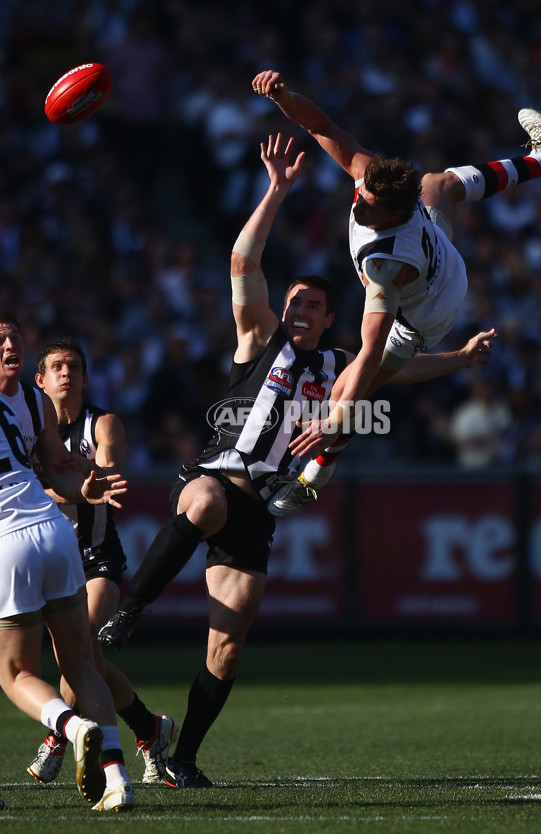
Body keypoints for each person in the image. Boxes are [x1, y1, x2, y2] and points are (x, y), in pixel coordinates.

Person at [97, 133, 498, 787]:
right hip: (217, 480)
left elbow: (400, 369)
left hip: (259, 512)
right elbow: (240, 260)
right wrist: (277, 190)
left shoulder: (343, 365)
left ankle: (182, 758)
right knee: (204, 502)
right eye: (293, 303)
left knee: (226, 648)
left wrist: (459, 359)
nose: (298, 309)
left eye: (311, 304)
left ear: (331, 315)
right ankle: (131, 608)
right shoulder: (258, 340)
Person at [252, 69, 541, 512]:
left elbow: (370, 351)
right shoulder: (374, 180)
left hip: (424, 313)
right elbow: (321, 125)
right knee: (436, 184)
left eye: (368, 204)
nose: (357, 201)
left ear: (393, 214)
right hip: (438, 254)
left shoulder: (386, 268)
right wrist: (283, 96)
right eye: (362, 193)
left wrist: (335, 419)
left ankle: (315, 472)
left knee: (348, 388)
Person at [26, 337, 177, 787]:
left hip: (96, 556)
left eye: (73, 365)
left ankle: (58, 737)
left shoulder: (103, 423)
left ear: (87, 378)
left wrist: (53, 488)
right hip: (46, 556)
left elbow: (106, 480)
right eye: (56, 366)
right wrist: (68, 488)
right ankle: (149, 729)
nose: (66, 372)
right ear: (40, 380)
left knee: (83, 644)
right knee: (80, 657)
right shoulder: (26, 430)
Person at [0, 313, 134, 811]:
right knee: (80, 661)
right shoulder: (35, 402)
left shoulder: (35, 401)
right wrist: (84, 488)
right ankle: (119, 781)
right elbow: (58, 470)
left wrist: (86, 487)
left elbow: (61, 470)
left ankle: (70, 728)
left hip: (11, 537)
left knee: (14, 671)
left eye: (14, 334)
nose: (10, 342)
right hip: (55, 533)